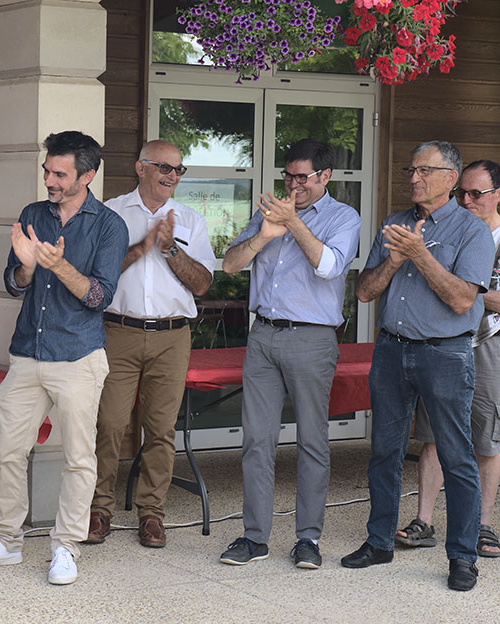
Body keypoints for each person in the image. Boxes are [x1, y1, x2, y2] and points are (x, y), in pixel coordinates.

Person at [0, 131, 128, 585]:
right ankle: (7, 542)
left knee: (78, 458)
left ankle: (66, 547)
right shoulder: (34, 214)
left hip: (78, 357)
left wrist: (58, 265)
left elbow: (98, 296)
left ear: (86, 176)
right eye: (47, 171)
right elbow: (15, 284)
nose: (49, 180)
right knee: (7, 451)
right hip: (27, 354)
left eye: (59, 173)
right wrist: (29, 266)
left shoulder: (109, 225)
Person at [342, 140, 493, 592]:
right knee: (385, 451)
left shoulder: (472, 232)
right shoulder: (394, 223)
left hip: (445, 354)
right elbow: (365, 292)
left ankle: (463, 556)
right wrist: (393, 259)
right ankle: (380, 541)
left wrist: (422, 254)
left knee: (456, 455)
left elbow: (464, 298)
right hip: (391, 349)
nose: (413, 178)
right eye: (412, 170)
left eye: (424, 171)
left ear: (450, 178)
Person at [219, 138, 361, 569]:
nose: (294, 184)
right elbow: (230, 264)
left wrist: (293, 223)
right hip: (263, 335)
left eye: (303, 177)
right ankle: (254, 537)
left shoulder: (344, 217)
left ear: (325, 176)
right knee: (256, 440)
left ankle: (308, 540)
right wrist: (264, 234)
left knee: (312, 442)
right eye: (289, 176)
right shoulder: (269, 214)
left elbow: (330, 266)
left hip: (312, 338)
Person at [85, 140, 215, 548]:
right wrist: (141, 248)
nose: (172, 175)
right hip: (117, 331)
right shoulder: (111, 212)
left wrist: (169, 248)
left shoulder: (190, 220)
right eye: (163, 166)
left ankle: (151, 514)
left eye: (178, 169)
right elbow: (94, 272)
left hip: (173, 336)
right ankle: (98, 509)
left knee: (160, 430)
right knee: (108, 424)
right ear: (140, 168)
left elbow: (203, 284)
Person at [394, 160, 500, 558]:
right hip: (442, 344)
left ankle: (483, 526)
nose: (467, 200)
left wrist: (467, 287)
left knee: (486, 440)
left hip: (491, 346)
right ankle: (424, 520)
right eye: (463, 192)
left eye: (477, 193)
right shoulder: (447, 229)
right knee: (432, 436)